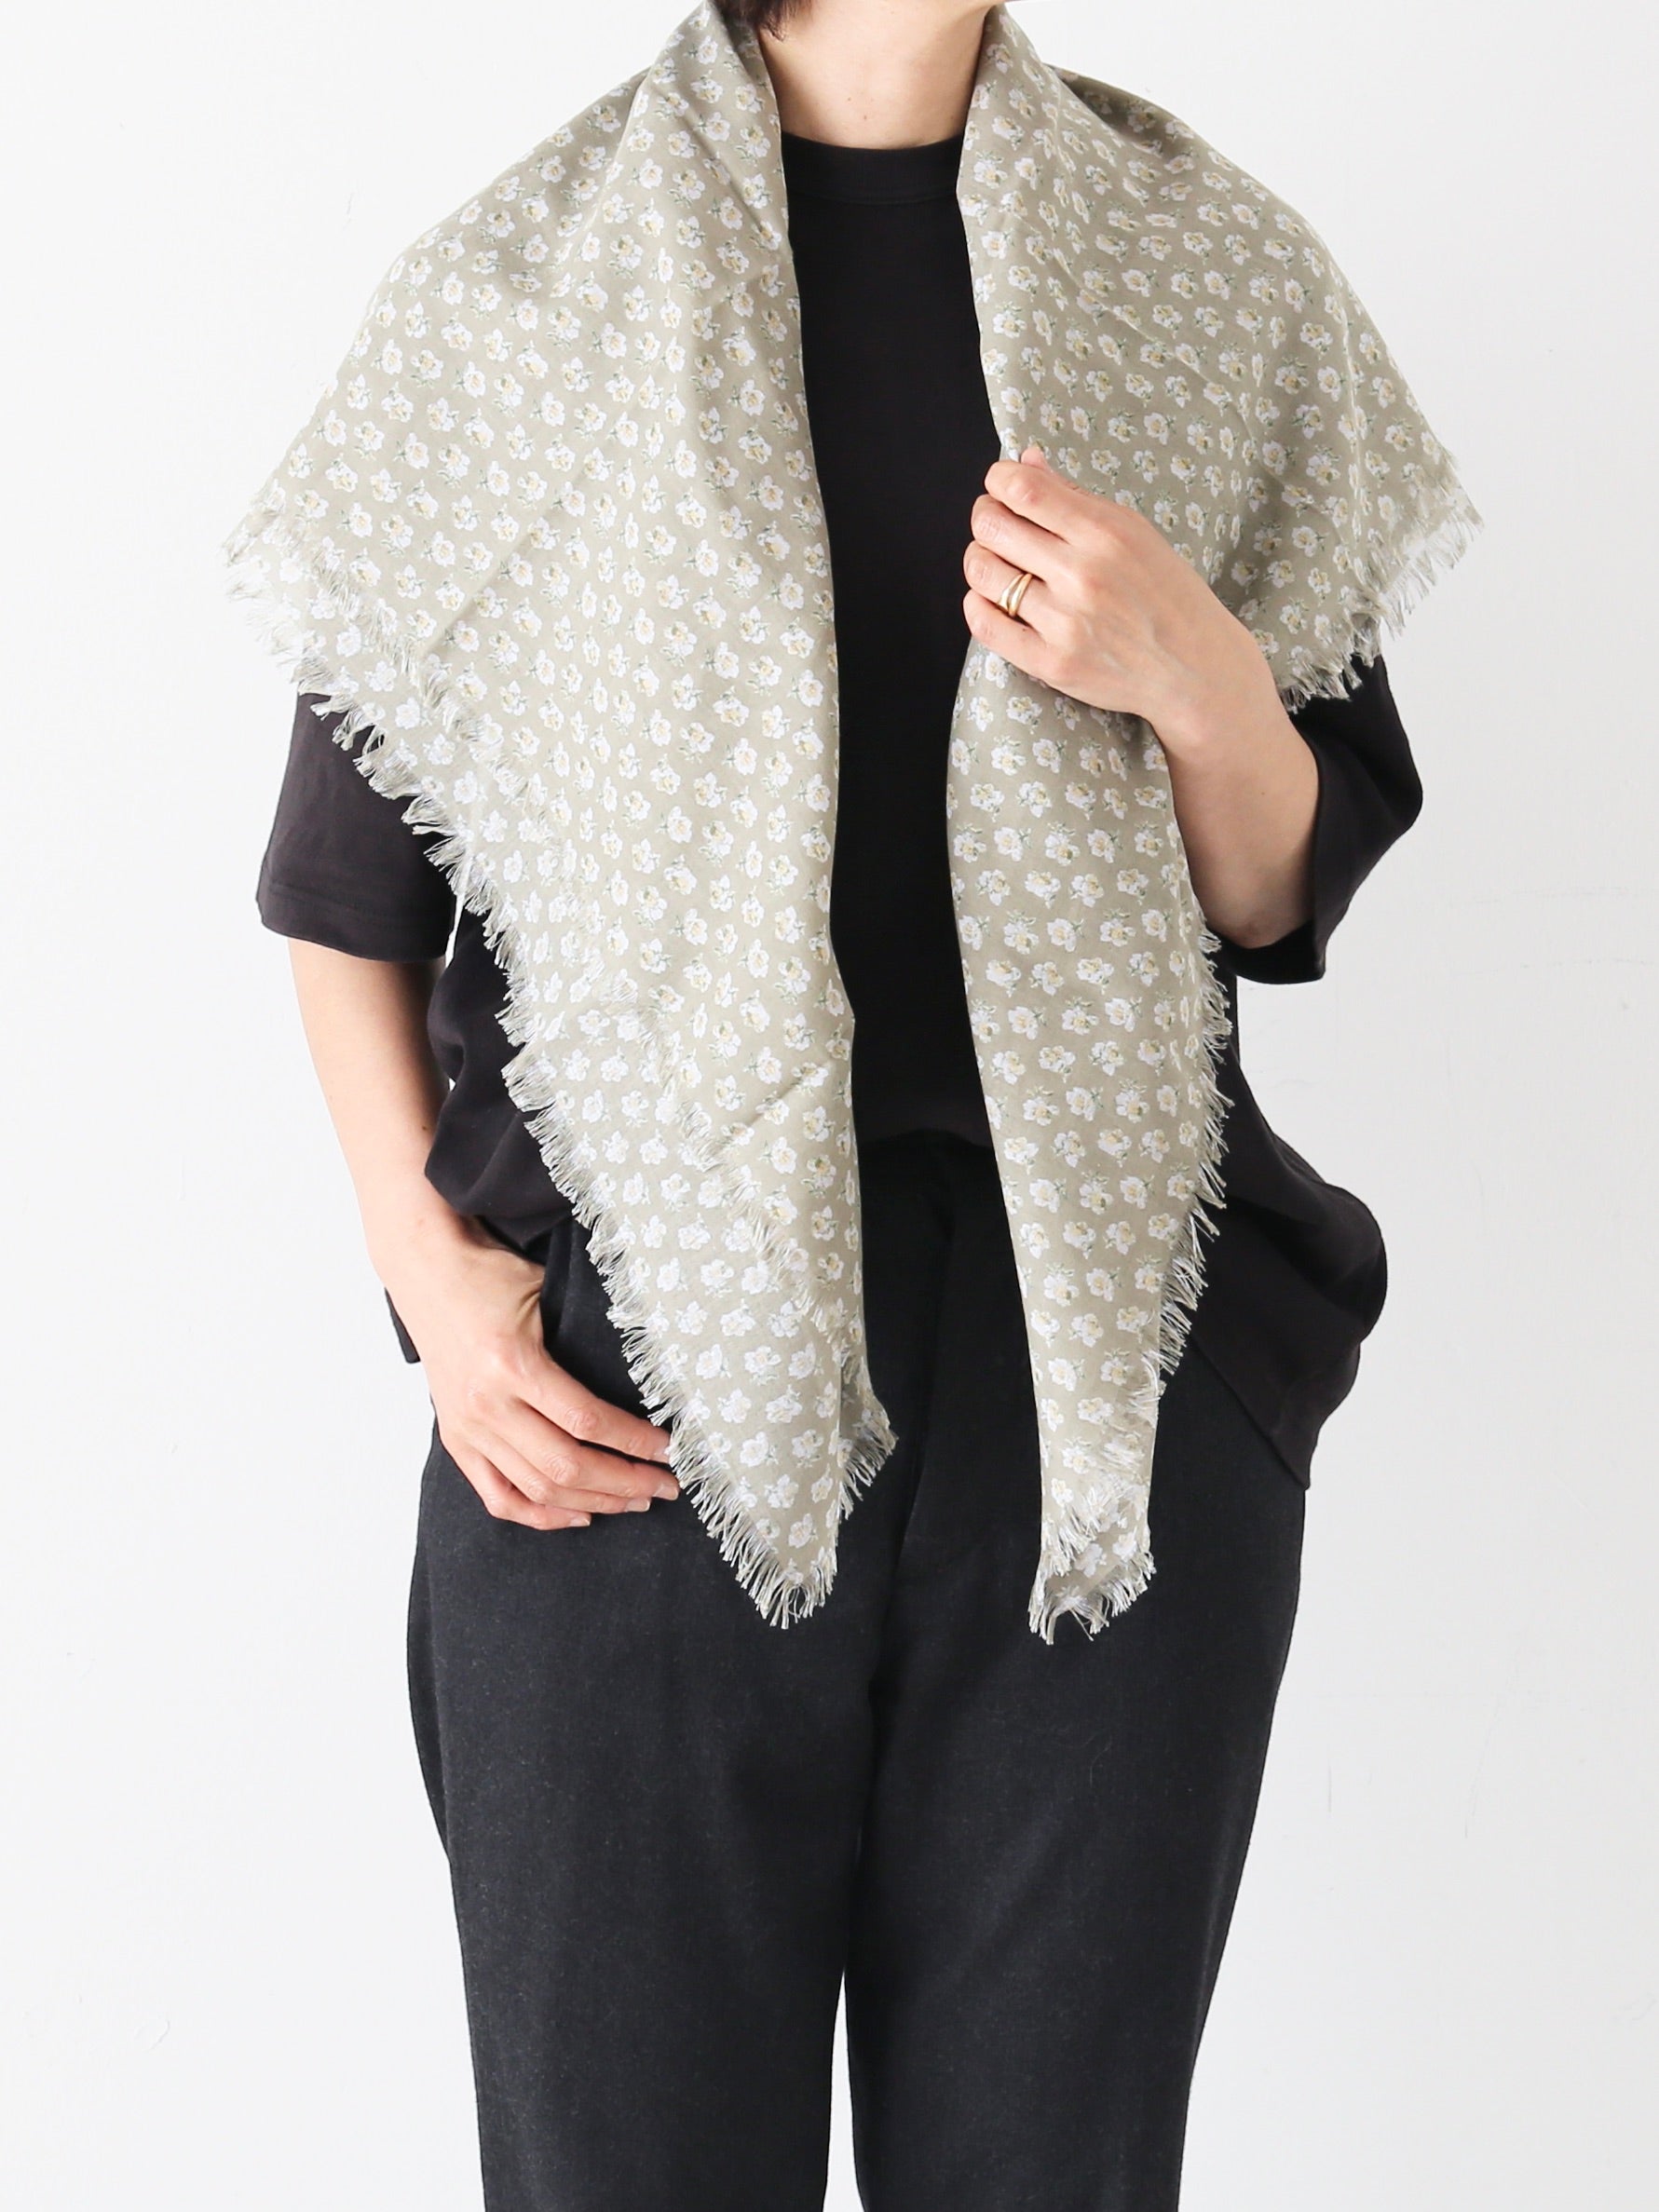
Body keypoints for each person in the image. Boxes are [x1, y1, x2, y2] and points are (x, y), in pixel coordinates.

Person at [248, 3, 1459, 2205]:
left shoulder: (1204, 269)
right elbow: (349, 886)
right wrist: (437, 1290)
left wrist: (1195, 673)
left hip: (1103, 1388)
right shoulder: (527, 284)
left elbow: (1283, 888)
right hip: (629, 1383)